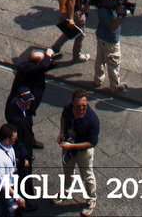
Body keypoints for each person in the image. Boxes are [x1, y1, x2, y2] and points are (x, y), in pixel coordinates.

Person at [58, 89, 100, 217]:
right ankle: (66, 191)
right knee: (67, 171)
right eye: (79, 106)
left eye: (84, 105)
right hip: (68, 146)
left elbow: (92, 143)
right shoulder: (67, 108)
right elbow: (63, 117)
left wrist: (73, 146)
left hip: (83, 152)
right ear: (72, 104)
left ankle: (91, 200)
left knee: (87, 176)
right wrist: (61, 132)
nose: (82, 108)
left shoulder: (92, 120)